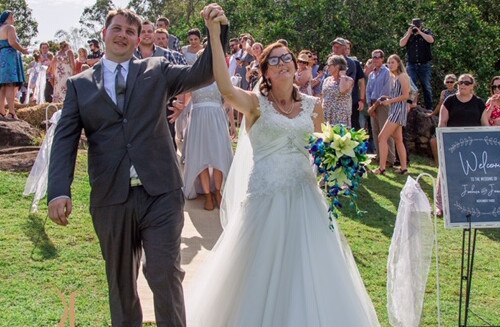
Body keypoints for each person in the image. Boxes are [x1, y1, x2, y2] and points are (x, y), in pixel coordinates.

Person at [185, 11, 380, 326]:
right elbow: (224, 87)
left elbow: (320, 148)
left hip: (306, 198)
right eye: (274, 61)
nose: (283, 63)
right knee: (257, 273)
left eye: (287, 58)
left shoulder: (313, 106)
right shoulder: (253, 105)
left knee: (309, 272)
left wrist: (341, 163)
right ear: (265, 73)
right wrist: (213, 33)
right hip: (265, 199)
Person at [47, 6, 228, 326]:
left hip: (160, 193)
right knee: (121, 284)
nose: (123, 35)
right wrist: (59, 190)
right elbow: (65, 140)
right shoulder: (79, 85)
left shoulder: (157, 70)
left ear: (137, 39)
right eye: (116, 29)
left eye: (130, 32)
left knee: (163, 273)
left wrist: (217, 32)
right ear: (105, 34)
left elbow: (204, 73)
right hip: (111, 199)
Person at [434, 73, 485, 216]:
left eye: (466, 83)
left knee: (469, 177)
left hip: (473, 147)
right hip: (452, 144)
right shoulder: (450, 101)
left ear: (472, 85)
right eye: (460, 82)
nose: (462, 85)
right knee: (444, 174)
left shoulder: (479, 103)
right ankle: (440, 206)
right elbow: (442, 123)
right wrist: (442, 141)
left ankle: (467, 205)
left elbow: (485, 124)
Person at [182, 78, 235, 210]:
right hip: (198, 120)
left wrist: (232, 124)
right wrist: (179, 107)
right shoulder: (194, 77)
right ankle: (207, 195)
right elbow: (185, 100)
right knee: (200, 157)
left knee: (219, 157)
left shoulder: (221, 76)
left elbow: (228, 102)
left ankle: (217, 191)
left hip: (217, 119)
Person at [369, 54, 411, 175]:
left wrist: (389, 101)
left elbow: (406, 95)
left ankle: (382, 168)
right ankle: (404, 168)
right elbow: (398, 95)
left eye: (392, 62)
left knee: (382, 137)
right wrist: (388, 98)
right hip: (395, 109)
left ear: (398, 63)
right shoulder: (394, 77)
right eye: (389, 62)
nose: (390, 64)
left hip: (398, 110)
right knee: (398, 139)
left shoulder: (402, 76)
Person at [366, 49, 396, 165]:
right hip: (373, 105)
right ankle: (379, 156)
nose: (375, 59)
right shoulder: (372, 74)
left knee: (386, 133)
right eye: (374, 57)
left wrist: (374, 107)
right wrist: (370, 105)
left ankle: (390, 159)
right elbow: (368, 91)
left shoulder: (387, 72)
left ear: (382, 59)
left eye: (378, 57)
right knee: (375, 131)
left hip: (383, 105)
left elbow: (385, 93)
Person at [399, 18, 435, 111]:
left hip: (424, 64)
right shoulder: (409, 34)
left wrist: (420, 32)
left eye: (417, 26)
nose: (415, 28)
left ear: (421, 26)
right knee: (411, 85)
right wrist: (408, 33)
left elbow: (431, 40)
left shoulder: (426, 32)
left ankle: (429, 108)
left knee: (426, 86)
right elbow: (401, 44)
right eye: (414, 26)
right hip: (411, 64)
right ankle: (411, 105)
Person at [0, 10, 29, 120]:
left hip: (1, 56)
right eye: (13, 16)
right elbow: (12, 42)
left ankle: (1, 111)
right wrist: (22, 50)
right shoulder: (10, 28)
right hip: (10, 58)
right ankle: (11, 112)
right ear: (10, 17)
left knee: (2, 86)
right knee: (10, 85)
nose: (14, 18)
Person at [322, 55, 354, 126]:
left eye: (329, 65)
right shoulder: (327, 80)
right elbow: (323, 96)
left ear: (337, 66)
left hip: (340, 117)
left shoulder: (348, 80)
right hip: (327, 115)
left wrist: (342, 75)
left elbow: (342, 90)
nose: (328, 68)